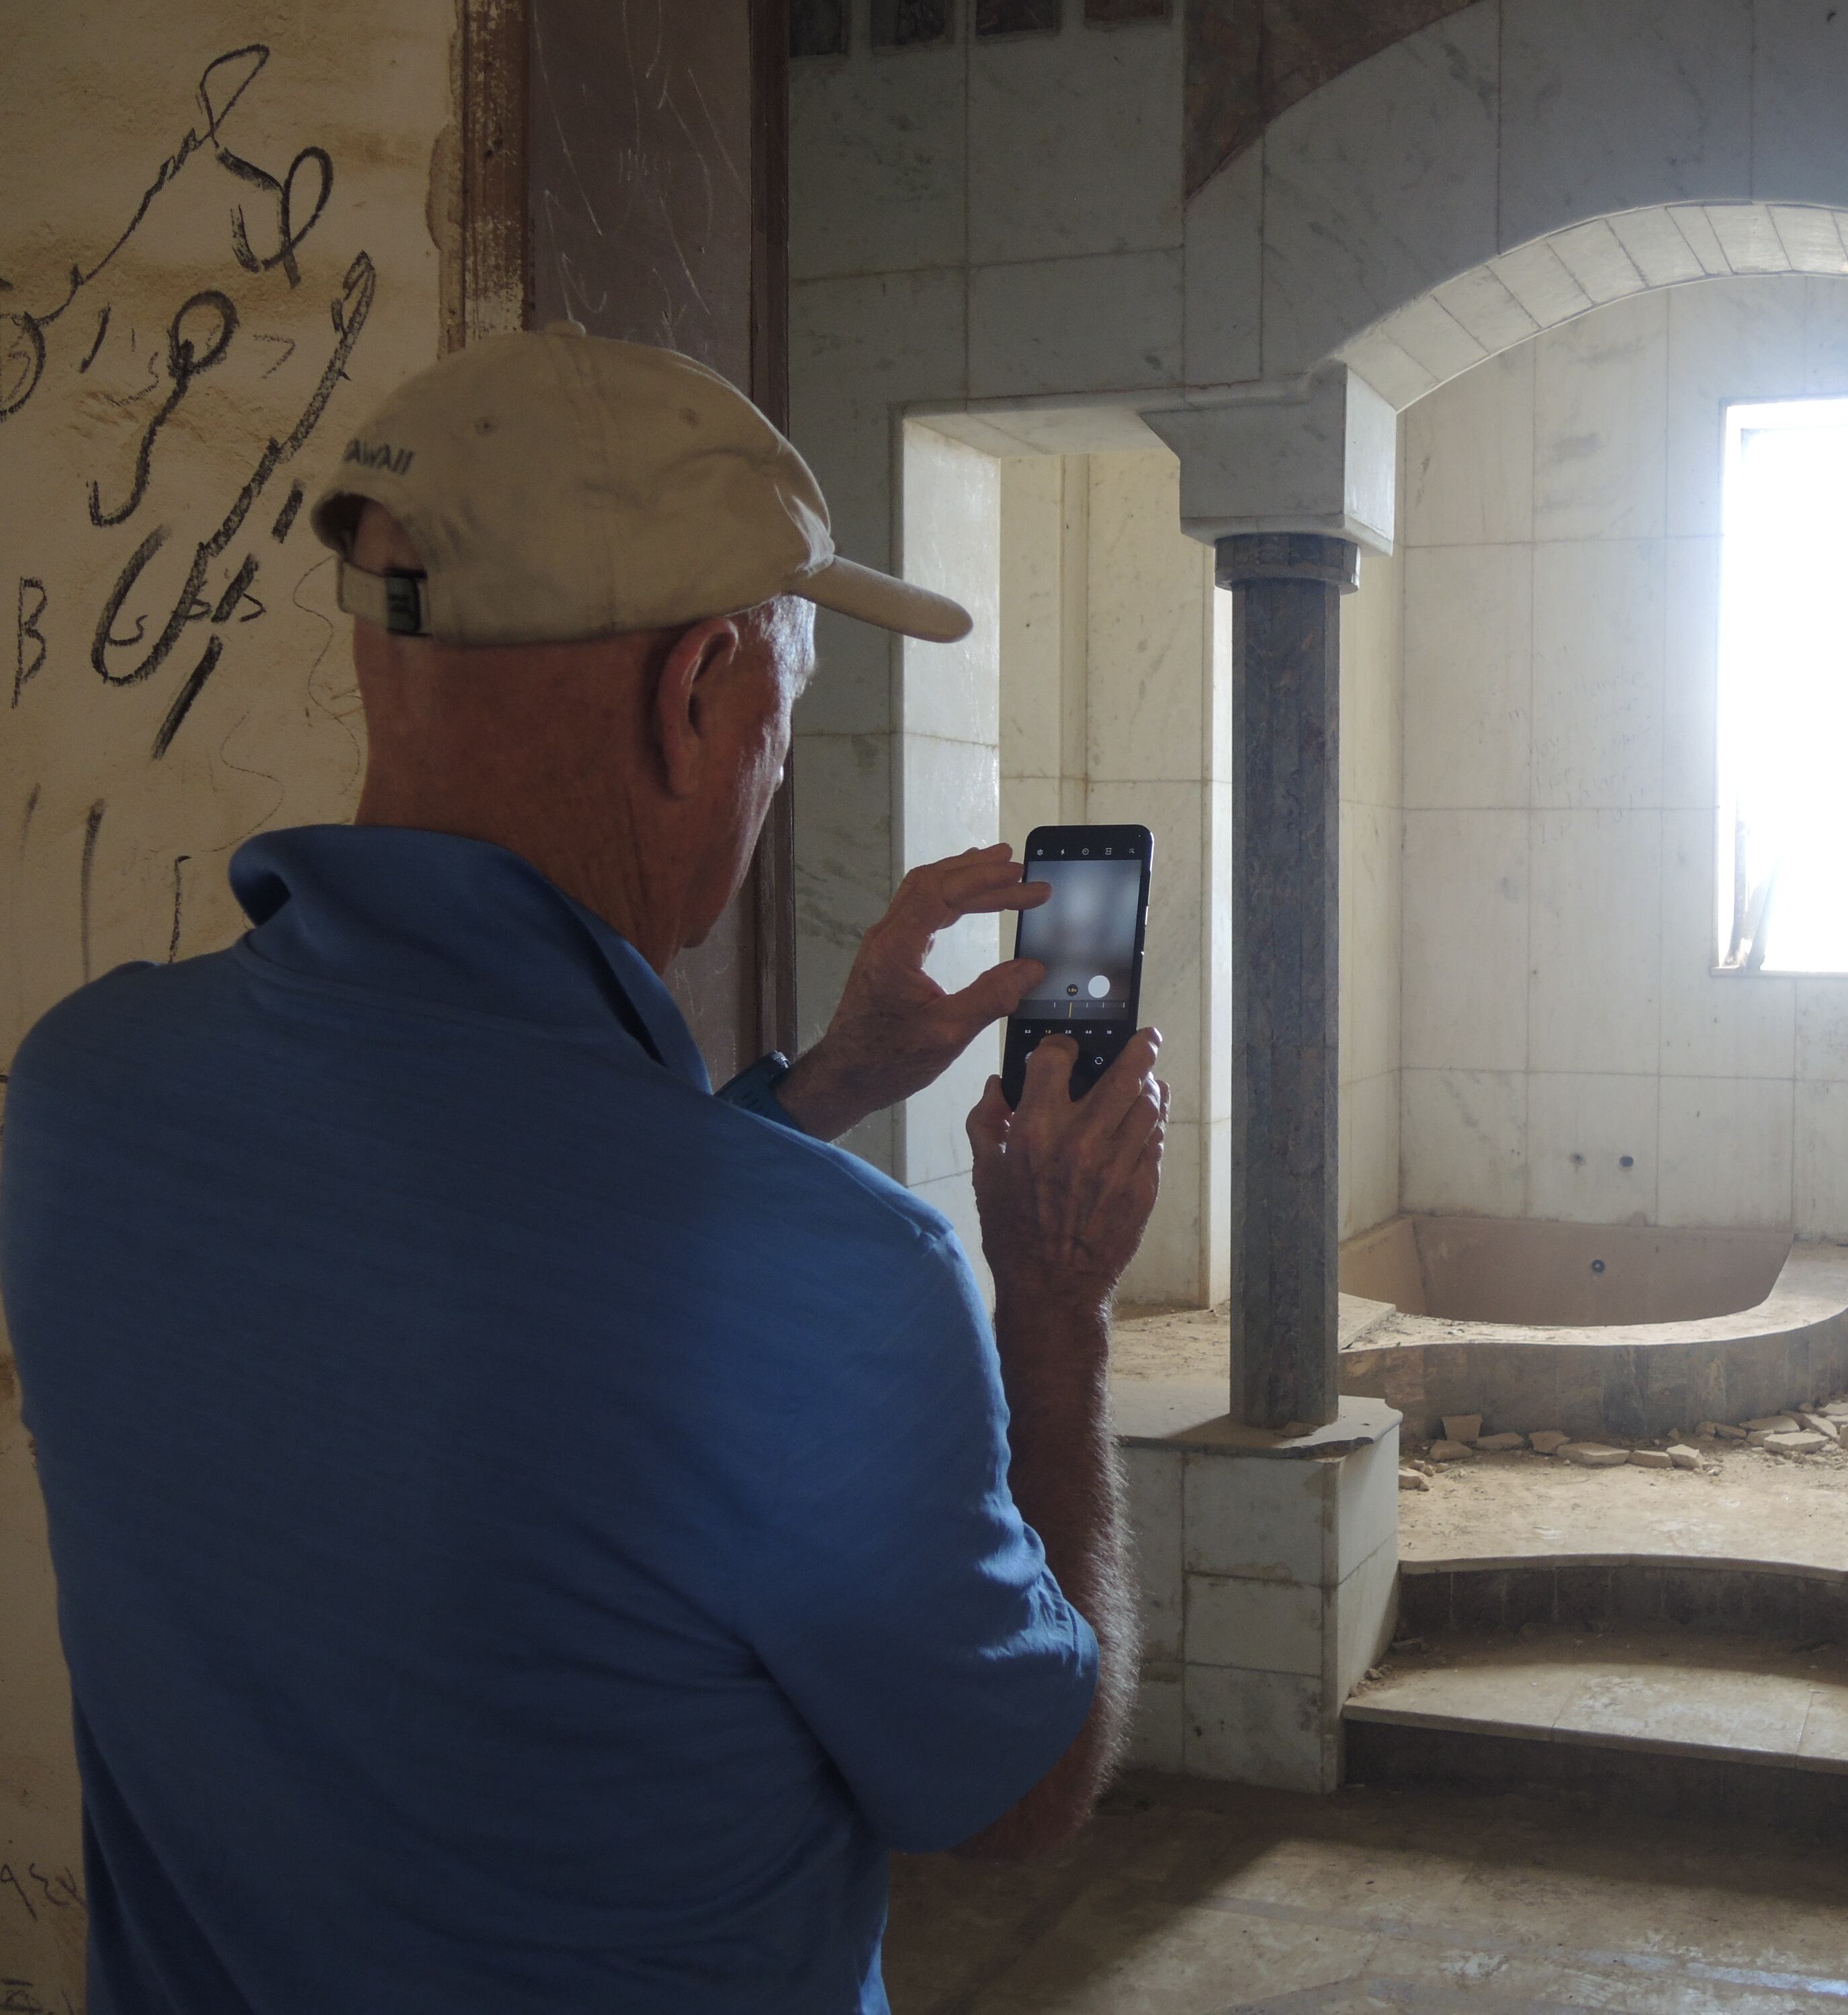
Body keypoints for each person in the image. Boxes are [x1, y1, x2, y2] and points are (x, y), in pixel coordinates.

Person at [0, 326, 1165, 2014]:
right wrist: (1052, 1316)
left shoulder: (85, 1092)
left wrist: (817, 1092)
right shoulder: (831, 1281)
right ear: (700, 699)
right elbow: (1016, 1790)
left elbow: (481, 1271)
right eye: (782, 704)